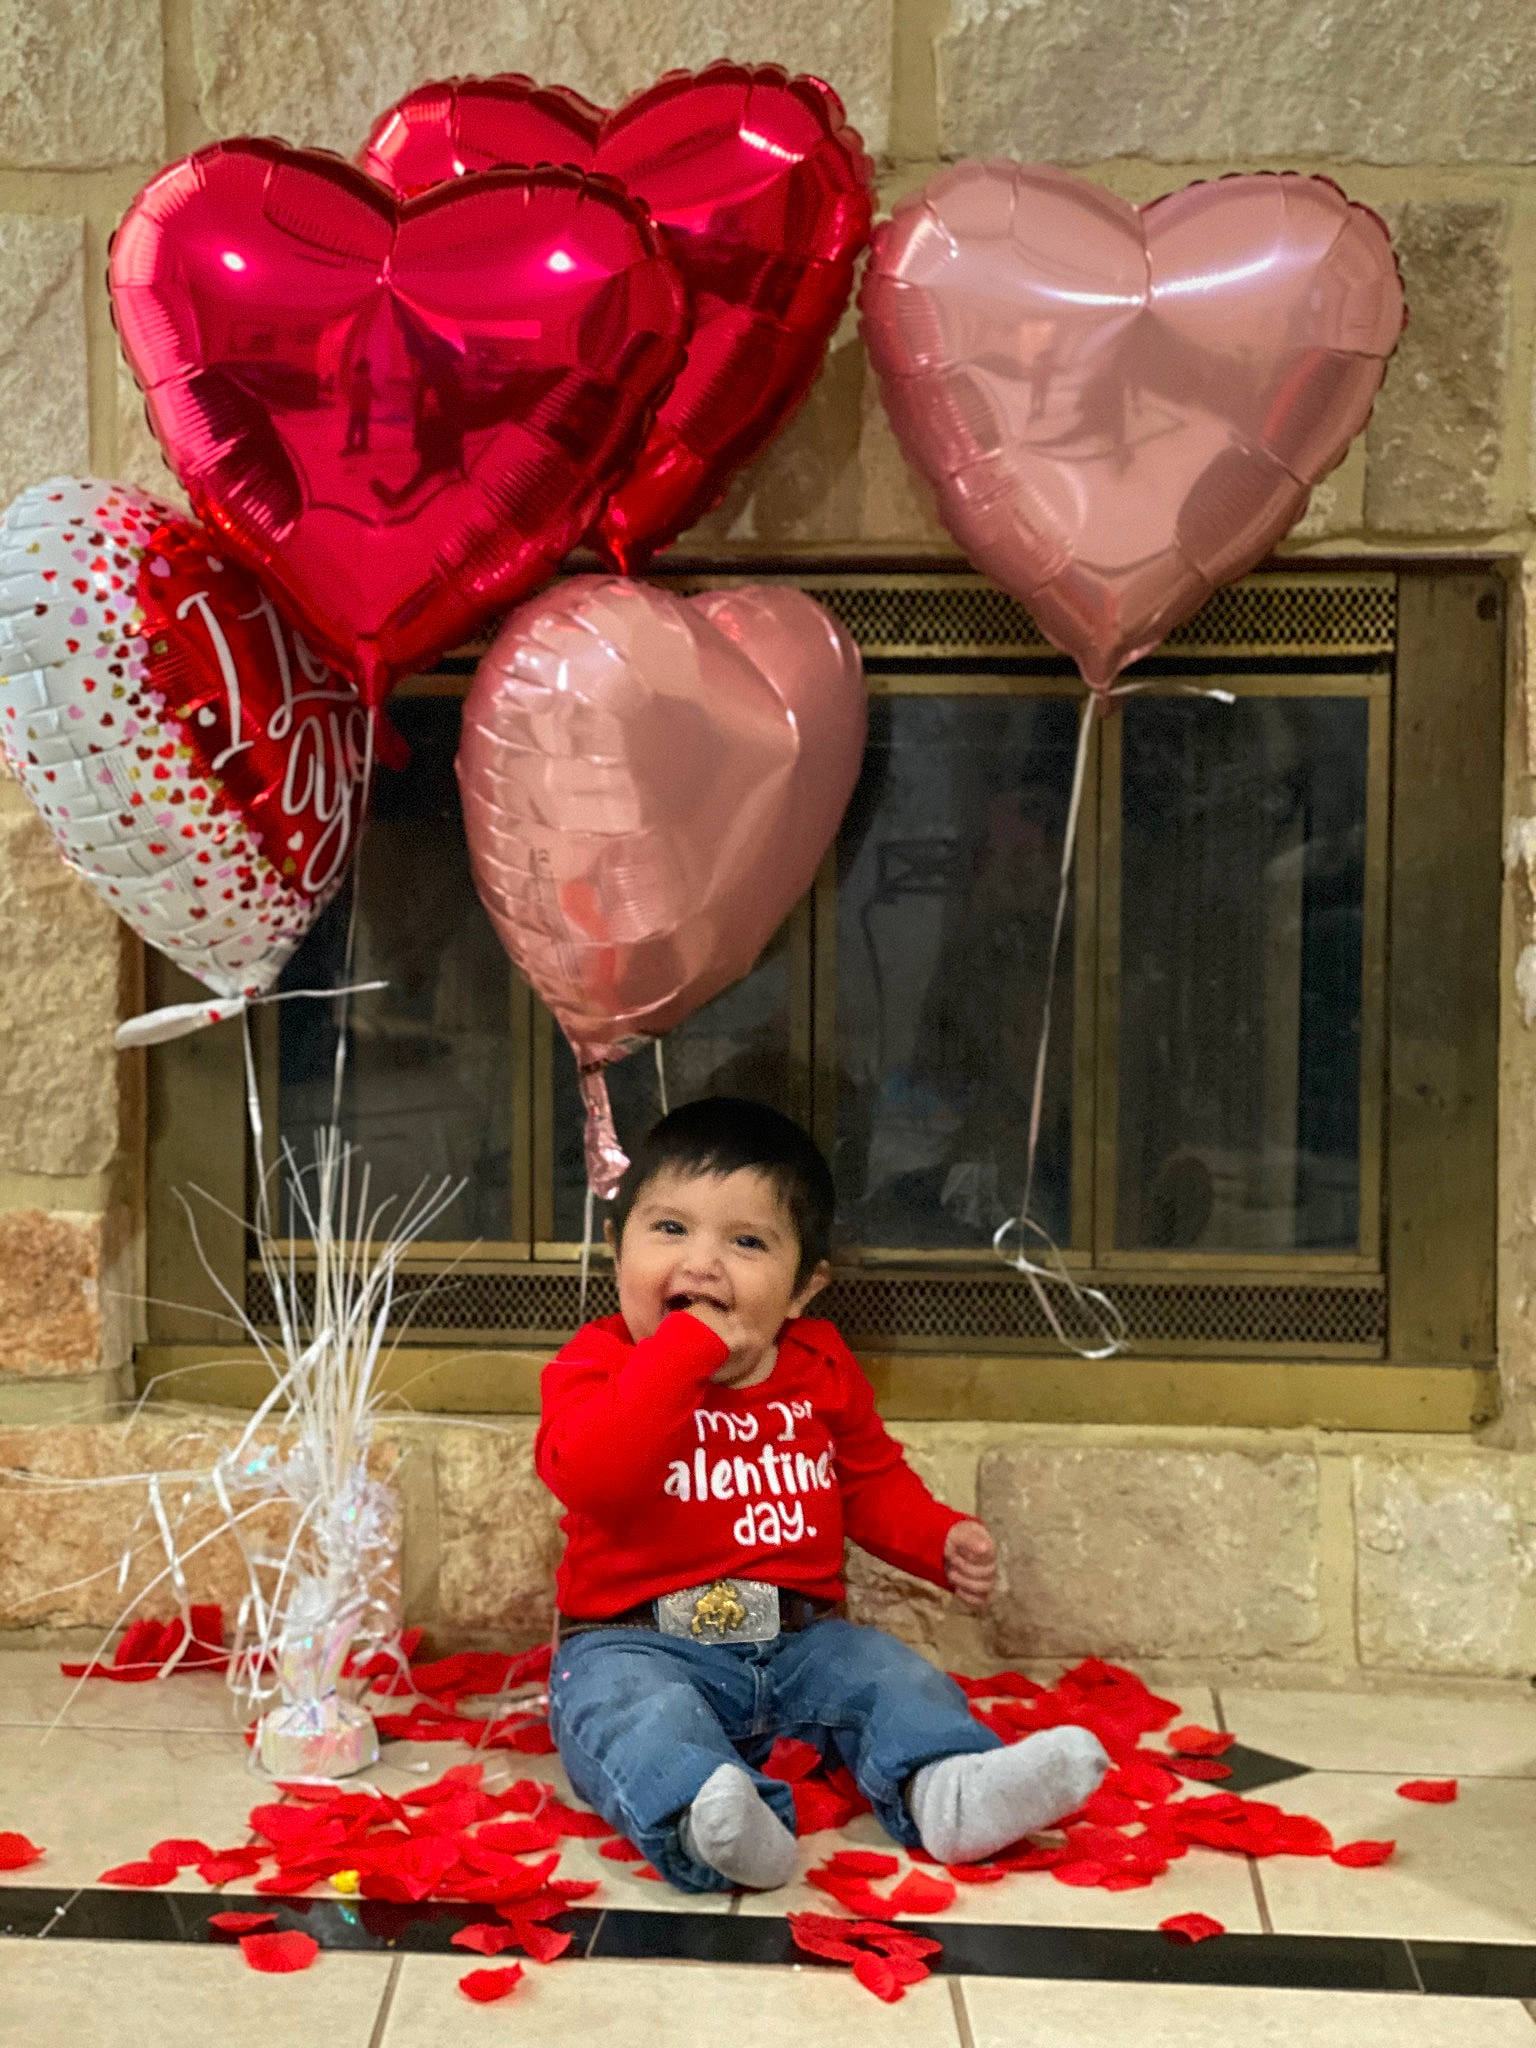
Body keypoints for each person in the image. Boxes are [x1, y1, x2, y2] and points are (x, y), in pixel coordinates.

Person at [537, 1096, 1108, 1892]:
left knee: (892, 1676)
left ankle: (949, 1787)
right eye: (669, 1229)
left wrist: (936, 1538)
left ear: (804, 1287)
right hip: (640, 1641)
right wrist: (677, 1358)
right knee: (630, 1714)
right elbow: (594, 1478)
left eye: (745, 1242)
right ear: (615, 1247)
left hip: (801, 1643)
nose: (702, 1264)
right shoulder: (594, 1366)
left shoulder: (819, 1365)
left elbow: (869, 1481)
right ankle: (717, 1824)